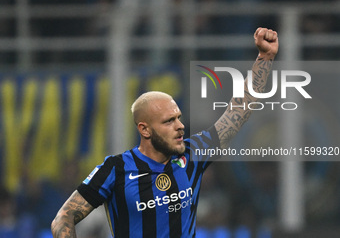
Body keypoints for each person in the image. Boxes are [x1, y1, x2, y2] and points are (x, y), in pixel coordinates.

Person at [51, 27, 279, 238]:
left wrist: (265, 59)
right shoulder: (116, 169)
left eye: (178, 117)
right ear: (145, 129)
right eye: (169, 121)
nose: (180, 126)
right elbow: (63, 217)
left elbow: (237, 112)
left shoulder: (193, 153)